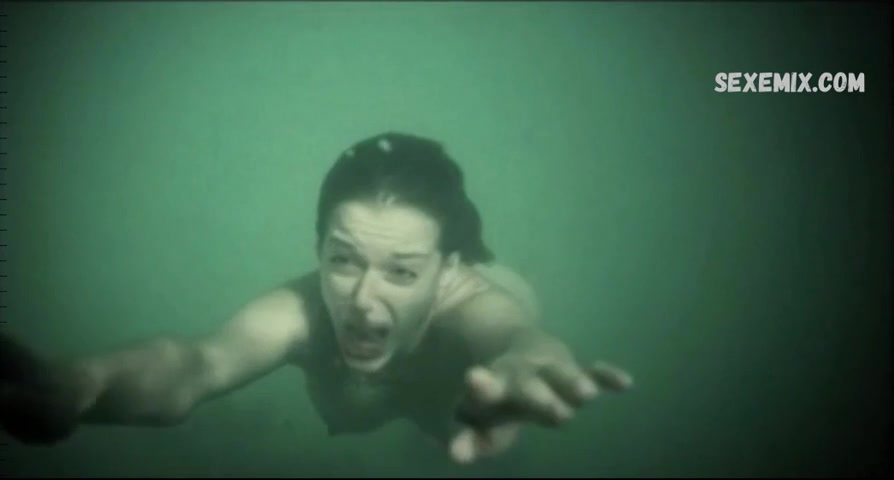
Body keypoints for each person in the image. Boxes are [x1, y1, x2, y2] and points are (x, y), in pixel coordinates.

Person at [0, 132, 633, 465]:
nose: (361, 301)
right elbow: (198, 365)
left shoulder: (475, 305)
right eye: (343, 260)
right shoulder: (303, 313)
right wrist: (85, 383)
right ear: (318, 249)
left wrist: (529, 367)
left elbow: (517, 339)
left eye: (402, 272)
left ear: (447, 272)